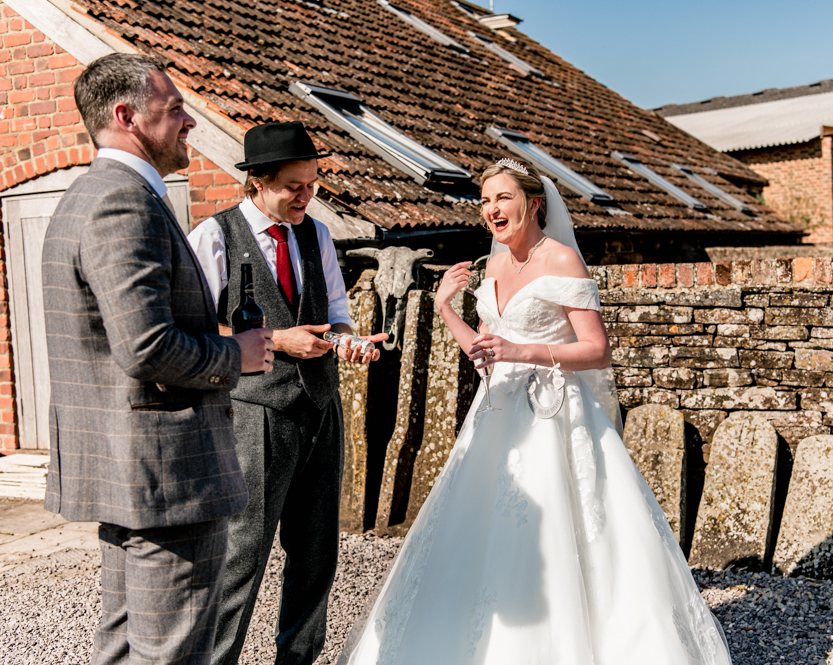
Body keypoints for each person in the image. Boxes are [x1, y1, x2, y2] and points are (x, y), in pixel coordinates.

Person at [342, 158, 731, 665]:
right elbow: (485, 352)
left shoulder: (563, 260)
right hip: (495, 414)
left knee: (561, 533)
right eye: (484, 201)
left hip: (554, 416)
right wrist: (444, 308)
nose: (491, 210)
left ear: (533, 203)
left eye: (502, 198)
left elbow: (596, 350)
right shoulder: (494, 264)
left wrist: (522, 351)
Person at [42, 53, 275, 665]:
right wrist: (236, 354)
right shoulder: (125, 204)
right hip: (167, 474)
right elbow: (146, 346)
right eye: (173, 110)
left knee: (126, 646)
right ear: (127, 117)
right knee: (171, 652)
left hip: (130, 470)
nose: (189, 121)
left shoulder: (87, 195)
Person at [186, 121, 387, 665]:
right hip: (253, 413)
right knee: (241, 556)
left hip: (322, 409)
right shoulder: (212, 237)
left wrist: (350, 344)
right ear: (257, 182)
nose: (306, 196)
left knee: (318, 552)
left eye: (312, 183)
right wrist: (278, 339)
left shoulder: (316, 235)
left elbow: (336, 319)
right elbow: (194, 333)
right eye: (292, 186)